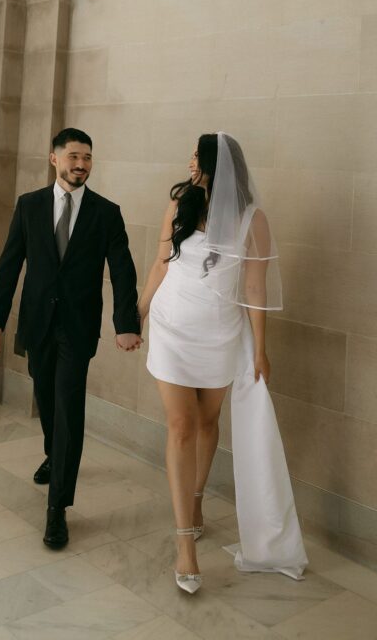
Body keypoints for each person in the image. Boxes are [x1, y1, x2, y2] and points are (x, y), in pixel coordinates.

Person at [138, 132, 307, 593]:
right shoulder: (179, 207)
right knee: (181, 425)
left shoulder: (253, 219)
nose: (190, 164)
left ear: (217, 165)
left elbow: (254, 289)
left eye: (197, 157)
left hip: (219, 334)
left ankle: (195, 500)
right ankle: (184, 546)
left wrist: (260, 348)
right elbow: (160, 264)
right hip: (172, 328)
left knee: (209, 422)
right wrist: (138, 312)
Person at [0, 128, 142, 549]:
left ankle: (57, 510)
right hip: (37, 323)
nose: (82, 164)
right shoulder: (29, 205)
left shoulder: (106, 212)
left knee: (69, 404)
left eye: (88, 157)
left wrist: (126, 322)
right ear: (54, 158)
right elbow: (9, 264)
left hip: (78, 326)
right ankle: (55, 453)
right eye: (74, 156)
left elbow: (123, 270)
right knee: (47, 397)